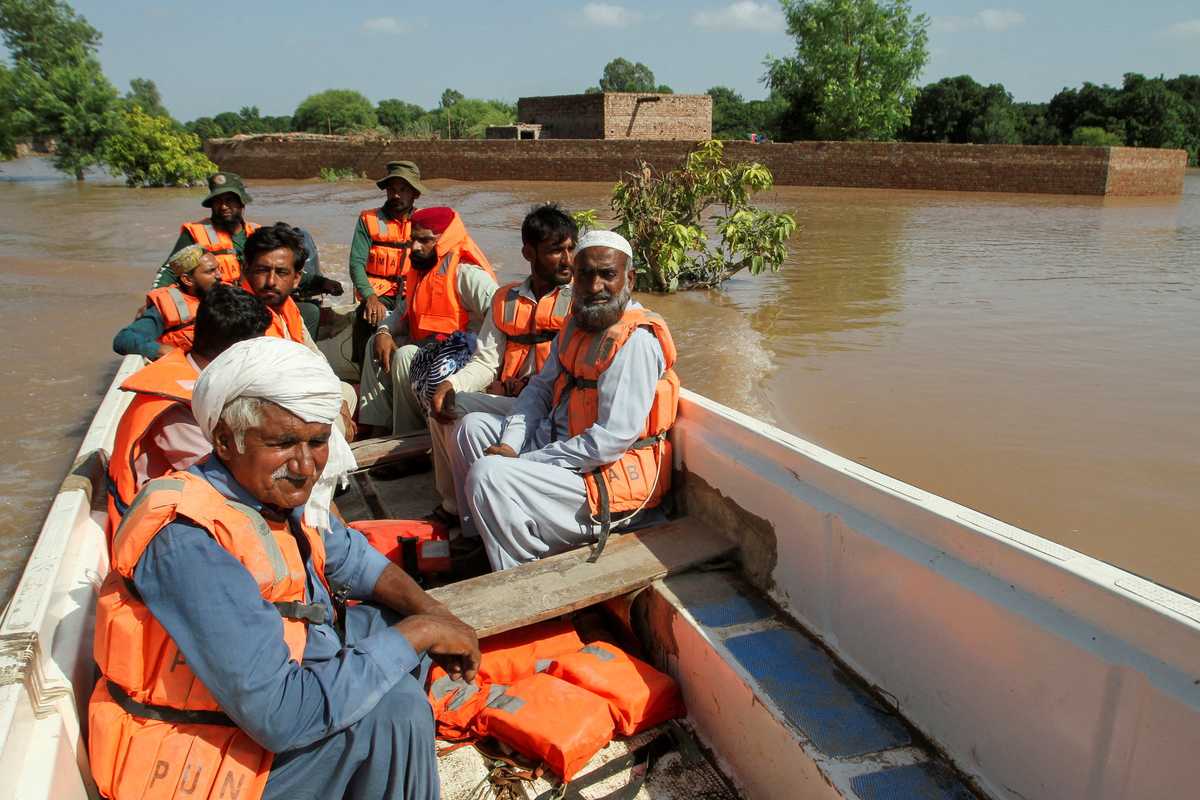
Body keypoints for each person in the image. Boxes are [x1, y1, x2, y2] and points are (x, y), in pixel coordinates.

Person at [89, 337, 480, 800]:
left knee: (391, 623)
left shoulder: (267, 491)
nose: (304, 465)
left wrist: (437, 617)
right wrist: (420, 633)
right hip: (195, 756)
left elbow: (351, 557)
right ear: (223, 440)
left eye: (317, 442)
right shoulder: (186, 539)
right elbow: (282, 717)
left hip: (243, 704)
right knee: (394, 711)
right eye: (282, 443)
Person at [450, 230, 680, 570]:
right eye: (586, 274)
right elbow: (541, 389)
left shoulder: (635, 341)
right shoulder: (576, 323)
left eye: (608, 275)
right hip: (565, 452)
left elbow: (609, 441)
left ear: (629, 279)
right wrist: (512, 445)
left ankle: (520, 567)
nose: (596, 285)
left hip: (605, 481)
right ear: (574, 278)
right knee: (471, 428)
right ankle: (485, 537)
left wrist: (528, 463)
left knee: (488, 475)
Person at [425, 204, 577, 524]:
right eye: (555, 251)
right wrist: (451, 385)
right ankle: (455, 505)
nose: (567, 260)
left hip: (551, 407)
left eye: (570, 249)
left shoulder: (580, 302)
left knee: (467, 420)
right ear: (528, 252)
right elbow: (485, 361)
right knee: (443, 405)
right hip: (510, 401)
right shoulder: (504, 299)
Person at [105, 284, 271, 537]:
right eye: (254, 350)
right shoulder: (177, 405)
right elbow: (224, 478)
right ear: (234, 353)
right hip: (163, 527)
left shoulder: (200, 378)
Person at [358, 207, 497, 437]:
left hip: (459, 357)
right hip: (428, 351)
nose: (415, 247)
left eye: (425, 240)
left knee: (406, 355)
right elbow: (403, 309)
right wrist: (384, 330)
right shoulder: (422, 271)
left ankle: (407, 436)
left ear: (444, 240)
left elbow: (500, 314)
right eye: (413, 239)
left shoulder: (466, 273)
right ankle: (378, 426)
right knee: (375, 342)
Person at [153, 172, 340, 337]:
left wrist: (320, 282)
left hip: (257, 300)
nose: (223, 206)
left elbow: (284, 270)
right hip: (217, 307)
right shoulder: (195, 233)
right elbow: (171, 270)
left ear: (242, 202)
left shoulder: (258, 232)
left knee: (309, 311)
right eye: (218, 201)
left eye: (229, 200)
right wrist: (155, 302)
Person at [242, 222, 358, 439]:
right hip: (263, 406)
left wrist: (336, 399)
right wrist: (331, 403)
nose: (271, 282)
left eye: (281, 272)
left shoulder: (288, 308)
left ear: (296, 278)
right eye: (262, 270)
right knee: (332, 423)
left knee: (346, 392)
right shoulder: (240, 314)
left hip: (295, 392)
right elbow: (270, 386)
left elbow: (315, 356)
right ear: (246, 269)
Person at [347, 161, 423, 366]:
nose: (396, 195)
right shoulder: (368, 219)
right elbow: (356, 264)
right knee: (366, 314)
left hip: (412, 294)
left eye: (403, 189)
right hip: (378, 293)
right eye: (392, 189)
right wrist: (370, 296)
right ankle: (363, 373)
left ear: (415, 193)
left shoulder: (424, 222)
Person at [113, 245, 222, 359]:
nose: (219, 275)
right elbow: (124, 339)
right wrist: (161, 351)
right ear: (188, 280)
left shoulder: (228, 294)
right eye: (211, 271)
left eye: (218, 268)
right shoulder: (167, 305)